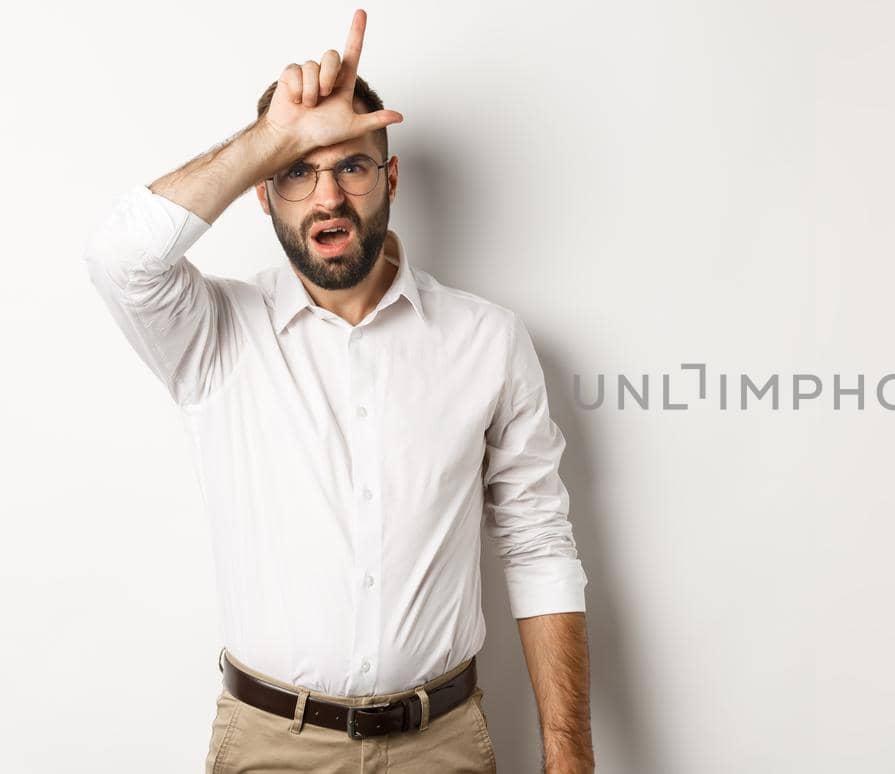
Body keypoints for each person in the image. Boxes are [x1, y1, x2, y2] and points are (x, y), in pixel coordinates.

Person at [80, 9, 595, 773]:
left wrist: (569, 754)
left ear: (389, 179)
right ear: (263, 194)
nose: (327, 196)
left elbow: (538, 544)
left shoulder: (490, 341)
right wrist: (268, 139)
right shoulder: (215, 333)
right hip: (269, 746)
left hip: (442, 746)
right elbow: (121, 257)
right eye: (297, 171)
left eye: (350, 166)